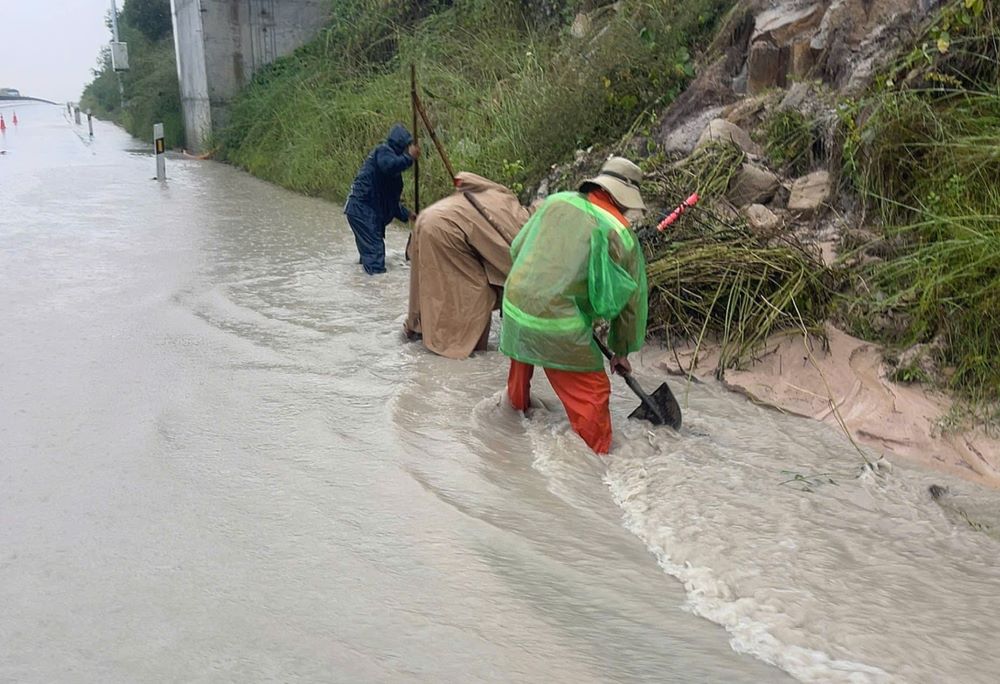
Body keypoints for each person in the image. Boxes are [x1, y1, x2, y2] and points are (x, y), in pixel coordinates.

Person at [499, 157, 648, 454]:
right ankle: (595, 470)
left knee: (521, 369)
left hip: (515, 307)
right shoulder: (621, 234)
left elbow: (517, 248)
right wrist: (621, 351)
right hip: (558, 323)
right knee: (594, 394)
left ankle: (510, 434)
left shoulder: (555, 202)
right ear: (625, 198)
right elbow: (631, 303)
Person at [404, 172, 530, 358]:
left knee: (429, 282)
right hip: (446, 228)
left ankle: (419, 330)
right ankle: (458, 350)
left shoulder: (502, 201)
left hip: (428, 220)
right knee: (476, 291)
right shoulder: (520, 224)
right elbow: (518, 269)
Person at [344, 124, 420, 274]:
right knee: (375, 256)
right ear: (402, 146)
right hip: (363, 210)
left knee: (370, 255)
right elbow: (389, 166)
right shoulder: (384, 152)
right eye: (407, 147)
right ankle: (376, 290)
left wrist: (407, 214)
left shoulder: (390, 169)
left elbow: (388, 200)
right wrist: (409, 157)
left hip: (365, 210)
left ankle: (363, 284)